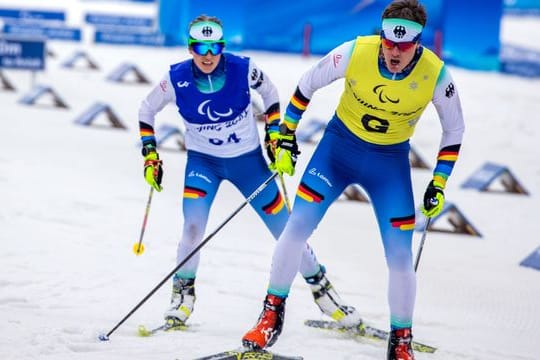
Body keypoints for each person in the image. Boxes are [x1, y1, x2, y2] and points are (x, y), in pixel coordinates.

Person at [242, 0, 465, 359]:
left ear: (418, 43)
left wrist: (439, 180)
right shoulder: (356, 51)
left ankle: (401, 340)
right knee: (295, 228)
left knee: (399, 257)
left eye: (403, 46)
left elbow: (454, 129)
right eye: (388, 42)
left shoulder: (436, 74)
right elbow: (306, 85)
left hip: (388, 166)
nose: (393, 52)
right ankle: (271, 314)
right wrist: (285, 135)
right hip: (336, 153)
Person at [138, 15, 361, 331]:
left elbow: (270, 92)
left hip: (249, 166)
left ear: (222, 47)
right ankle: (182, 296)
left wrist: (274, 132)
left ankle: (323, 290)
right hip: (204, 164)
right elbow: (146, 110)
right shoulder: (175, 79)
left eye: (213, 47)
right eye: (199, 46)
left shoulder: (243, 68)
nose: (207, 55)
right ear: (190, 48)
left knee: (286, 232)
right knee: (192, 227)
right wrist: (150, 154)